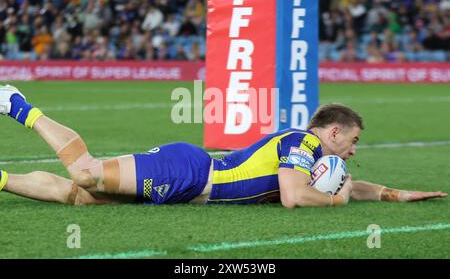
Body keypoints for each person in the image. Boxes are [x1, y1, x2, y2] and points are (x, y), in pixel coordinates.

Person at [0, 85, 447, 207]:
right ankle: (18, 104)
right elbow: (293, 197)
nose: (352, 152)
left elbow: (348, 182)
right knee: (85, 172)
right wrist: (336, 201)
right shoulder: (303, 143)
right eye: (351, 142)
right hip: (190, 172)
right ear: (332, 133)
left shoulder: (313, 159)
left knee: (75, 196)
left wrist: (393, 193)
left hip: (189, 189)